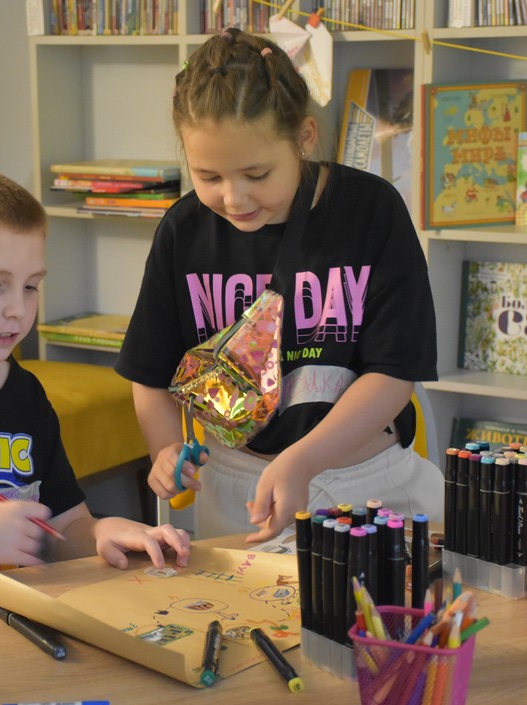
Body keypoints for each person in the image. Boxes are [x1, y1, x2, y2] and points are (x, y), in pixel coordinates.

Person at [115, 28, 442, 543]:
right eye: (209, 176)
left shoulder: (372, 211)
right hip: (238, 492)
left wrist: (304, 460)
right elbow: (150, 373)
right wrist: (165, 449)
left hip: (371, 488)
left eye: (257, 174)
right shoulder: (183, 230)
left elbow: (395, 372)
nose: (234, 198)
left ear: (305, 137)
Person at [0, 165, 191, 644]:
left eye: (30, 285)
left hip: (4, 638)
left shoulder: (26, 397)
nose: (19, 310)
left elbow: (64, 526)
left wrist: (103, 534)